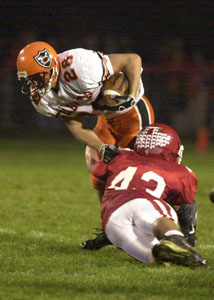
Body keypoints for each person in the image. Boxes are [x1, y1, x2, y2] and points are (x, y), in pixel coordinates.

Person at [83, 124, 206, 266]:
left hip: (111, 221)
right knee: (166, 214)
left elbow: (94, 167)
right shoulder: (179, 171)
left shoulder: (121, 157)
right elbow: (185, 204)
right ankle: (176, 239)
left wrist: (91, 145)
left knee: (158, 257)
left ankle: (177, 254)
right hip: (143, 203)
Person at [16, 41, 154, 166]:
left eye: (35, 78)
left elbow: (132, 59)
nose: (33, 85)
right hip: (105, 117)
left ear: (50, 68)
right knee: (95, 164)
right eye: (29, 80)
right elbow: (76, 127)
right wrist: (102, 147)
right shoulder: (43, 100)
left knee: (139, 166)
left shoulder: (80, 66)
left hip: (131, 111)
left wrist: (130, 95)